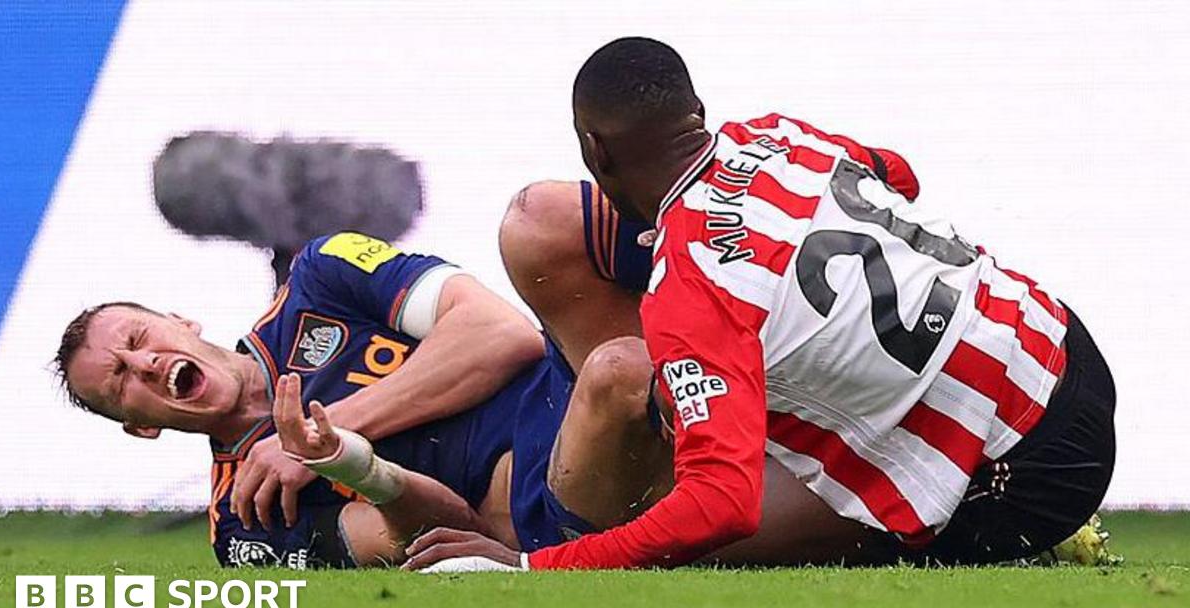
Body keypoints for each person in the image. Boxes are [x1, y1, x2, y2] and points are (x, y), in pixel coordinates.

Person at [403, 37, 1116, 571]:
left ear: (597, 151)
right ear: (698, 113)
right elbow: (896, 172)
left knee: (670, 535)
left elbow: (723, 504)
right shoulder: (778, 135)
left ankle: (990, 526)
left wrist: (534, 568)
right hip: (1060, 343)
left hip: (1027, 474)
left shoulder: (693, 291)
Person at [54, 231, 553, 567]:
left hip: (566, 396)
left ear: (181, 321)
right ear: (141, 427)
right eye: (122, 382)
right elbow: (448, 540)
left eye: (140, 339)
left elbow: (504, 333)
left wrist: (316, 439)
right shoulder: (242, 520)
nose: (146, 364)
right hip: (540, 504)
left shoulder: (322, 275)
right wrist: (350, 464)